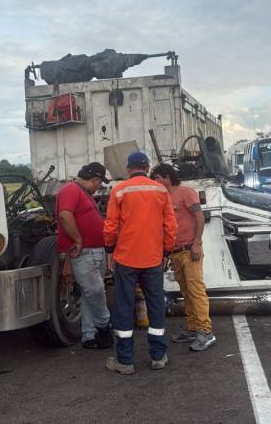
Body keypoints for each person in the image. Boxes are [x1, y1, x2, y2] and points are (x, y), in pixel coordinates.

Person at [103, 151, 177, 375]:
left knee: (124, 306)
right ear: (147, 168)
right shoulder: (161, 191)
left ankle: (125, 361)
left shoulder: (119, 191)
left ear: (128, 168)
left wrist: (109, 251)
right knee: (155, 305)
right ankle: (158, 356)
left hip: (126, 258)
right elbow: (170, 227)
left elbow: (110, 227)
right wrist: (166, 251)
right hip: (153, 258)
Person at [151, 164, 216, 351]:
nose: (155, 182)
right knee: (186, 291)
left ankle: (206, 331)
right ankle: (194, 327)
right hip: (176, 252)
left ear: (167, 178)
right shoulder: (162, 197)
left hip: (190, 250)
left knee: (196, 290)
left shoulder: (186, 192)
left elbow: (199, 217)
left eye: (157, 178)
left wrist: (196, 243)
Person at [55, 162, 112, 349]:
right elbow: (64, 215)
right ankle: (104, 327)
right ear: (95, 179)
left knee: (89, 295)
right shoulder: (71, 189)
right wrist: (78, 240)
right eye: (99, 184)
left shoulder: (83, 194)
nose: (98, 188)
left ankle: (89, 336)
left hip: (94, 251)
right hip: (84, 252)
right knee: (95, 291)